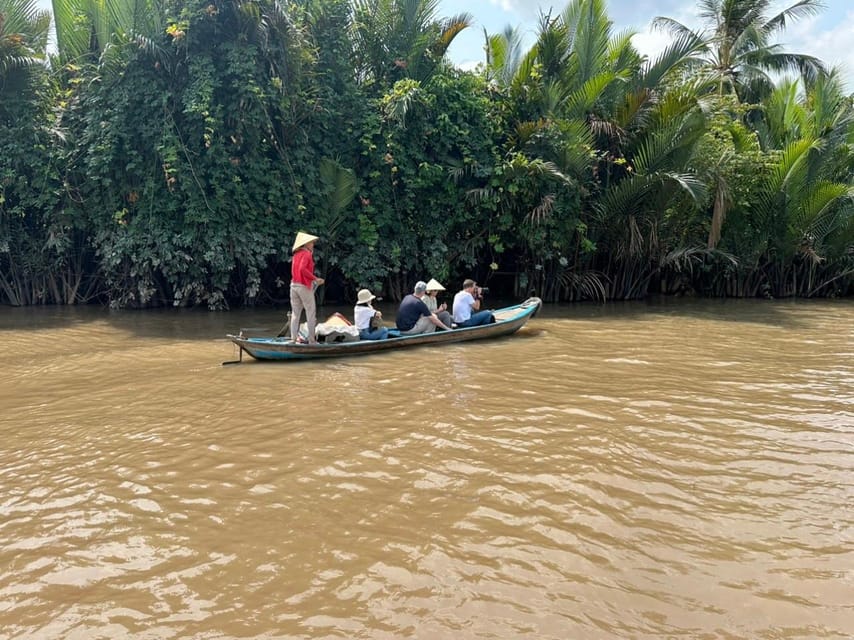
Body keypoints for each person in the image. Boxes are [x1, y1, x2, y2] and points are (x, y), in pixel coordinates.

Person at [290, 231, 325, 344]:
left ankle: (293, 339)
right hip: (303, 286)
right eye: (311, 243)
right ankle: (311, 340)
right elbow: (302, 270)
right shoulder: (306, 254)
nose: (313, 244)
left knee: (295, 314)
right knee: (311, 313)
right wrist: (315, 279)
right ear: (306, 244)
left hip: (293, 285)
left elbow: (296, 271)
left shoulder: (296, 254)